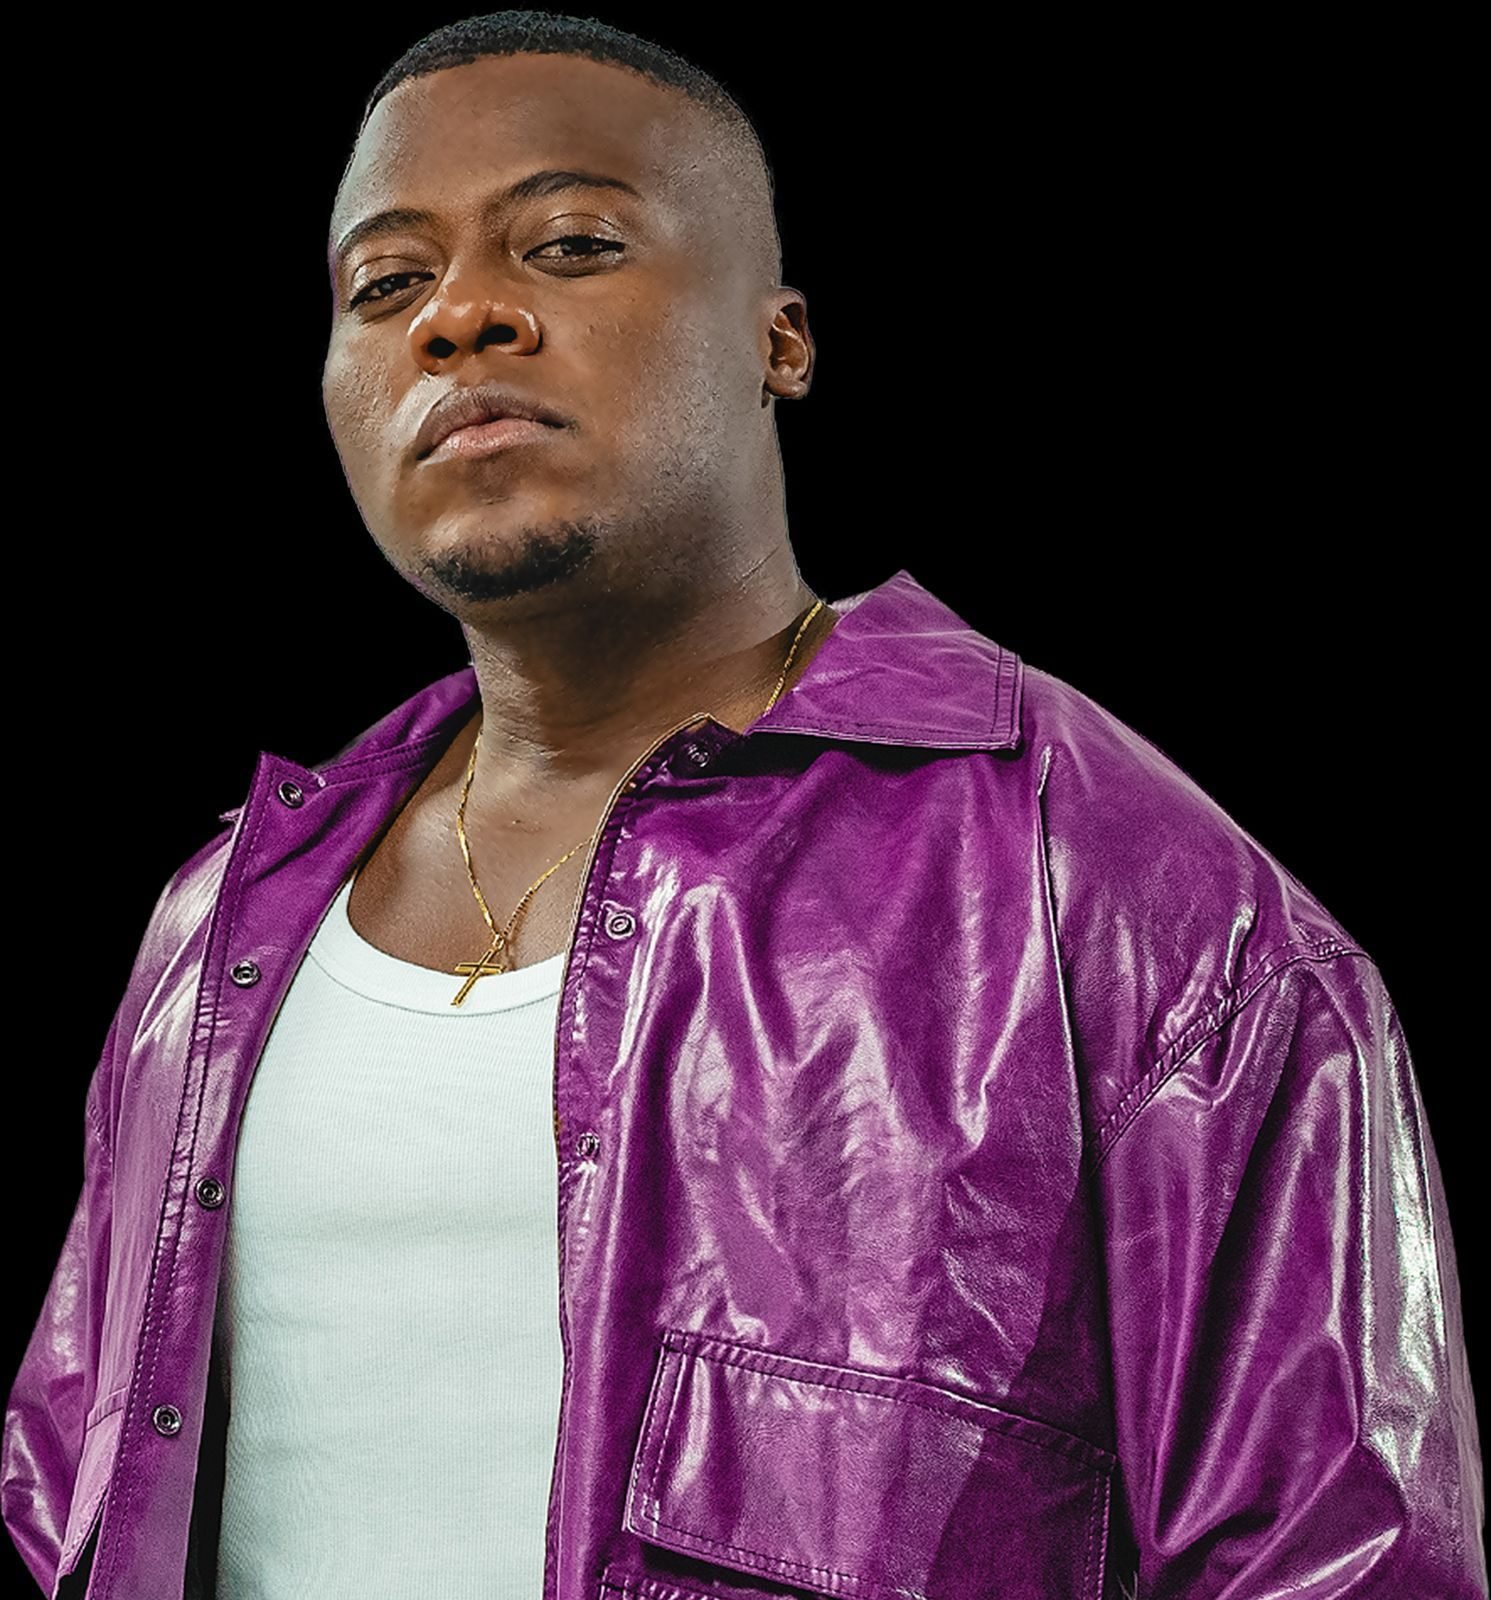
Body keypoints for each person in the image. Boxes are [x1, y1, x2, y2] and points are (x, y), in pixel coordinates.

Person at [3, 11, 1484, 1599]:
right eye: (385, 284)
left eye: (570, 244)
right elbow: (67, 1501)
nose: (459, 316)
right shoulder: (218, 924)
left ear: (780, 341)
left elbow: (1338, 1563)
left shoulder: (1124, 891)